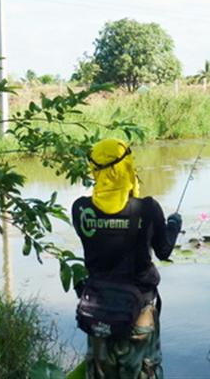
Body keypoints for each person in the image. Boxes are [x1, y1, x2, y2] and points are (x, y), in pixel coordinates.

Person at [71, 137, 182, 379]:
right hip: (138, 313)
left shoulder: (81, 209)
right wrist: (174, 225)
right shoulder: (147, 209)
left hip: (97, 313)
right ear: (126, 167)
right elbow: (163, 251)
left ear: (95, 170)